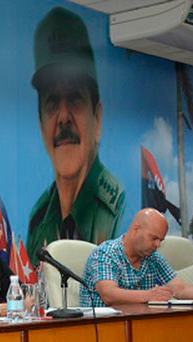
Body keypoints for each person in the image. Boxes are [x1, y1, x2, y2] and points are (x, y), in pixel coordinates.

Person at [26, 7, 125, 267]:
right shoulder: (38, 221)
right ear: (40, 123)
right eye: (52, 102)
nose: (63, 117)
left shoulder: (119, 210)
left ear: (98, 118)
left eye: (75, 98)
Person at [80, 208, 193, 307]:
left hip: (140, 327)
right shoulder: (106, 254)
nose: (158, 245)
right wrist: (149, 295)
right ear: (136, 230)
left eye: (161, 240)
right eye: (154, 238)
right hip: (102, 329)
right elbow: (109, 295)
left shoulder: (153, 258)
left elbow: (180, 289)